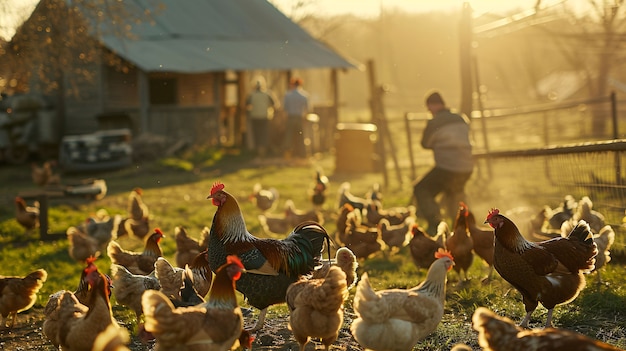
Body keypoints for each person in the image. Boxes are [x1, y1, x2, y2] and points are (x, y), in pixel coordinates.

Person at [413, 91, 474, 235]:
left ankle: (436, 223)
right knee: (453, 195)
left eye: (429, 108)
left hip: (447, 167)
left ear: (433, 105)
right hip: (466, 167)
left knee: (421, 189)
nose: (429, 112)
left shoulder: (435, 122)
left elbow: (425, 143)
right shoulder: (460, 118)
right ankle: (460, 229)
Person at [246, 76, 277, 157]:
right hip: (264, 116)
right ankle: (263, 151)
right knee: (264, 134)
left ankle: (257, 151)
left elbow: (247, 105)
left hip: (254, 117)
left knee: (257, 134)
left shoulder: (251, 95)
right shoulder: (267, 94)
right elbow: (274, 104)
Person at [282, 77, 309, 159]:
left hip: (291, 117)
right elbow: (307, 109)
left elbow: (285, 108)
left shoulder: (288, 95)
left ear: (292, 84)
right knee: (301, 136)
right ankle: (302, 154)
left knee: (289, 136)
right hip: (299, 118)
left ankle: (288, 155)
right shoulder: (304, 95)